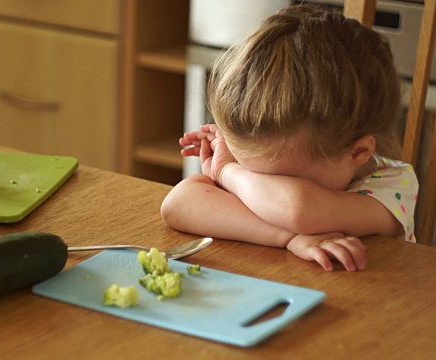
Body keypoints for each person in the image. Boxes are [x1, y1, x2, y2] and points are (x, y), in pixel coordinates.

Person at [160, 4, 418, 272]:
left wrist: (228, 171)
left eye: (277, 181)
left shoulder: (394, 186)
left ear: (357, 153)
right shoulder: (257, 165)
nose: (256, 184)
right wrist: (289, 238)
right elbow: (179, 204)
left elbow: (298, 209)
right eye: (247, 170)